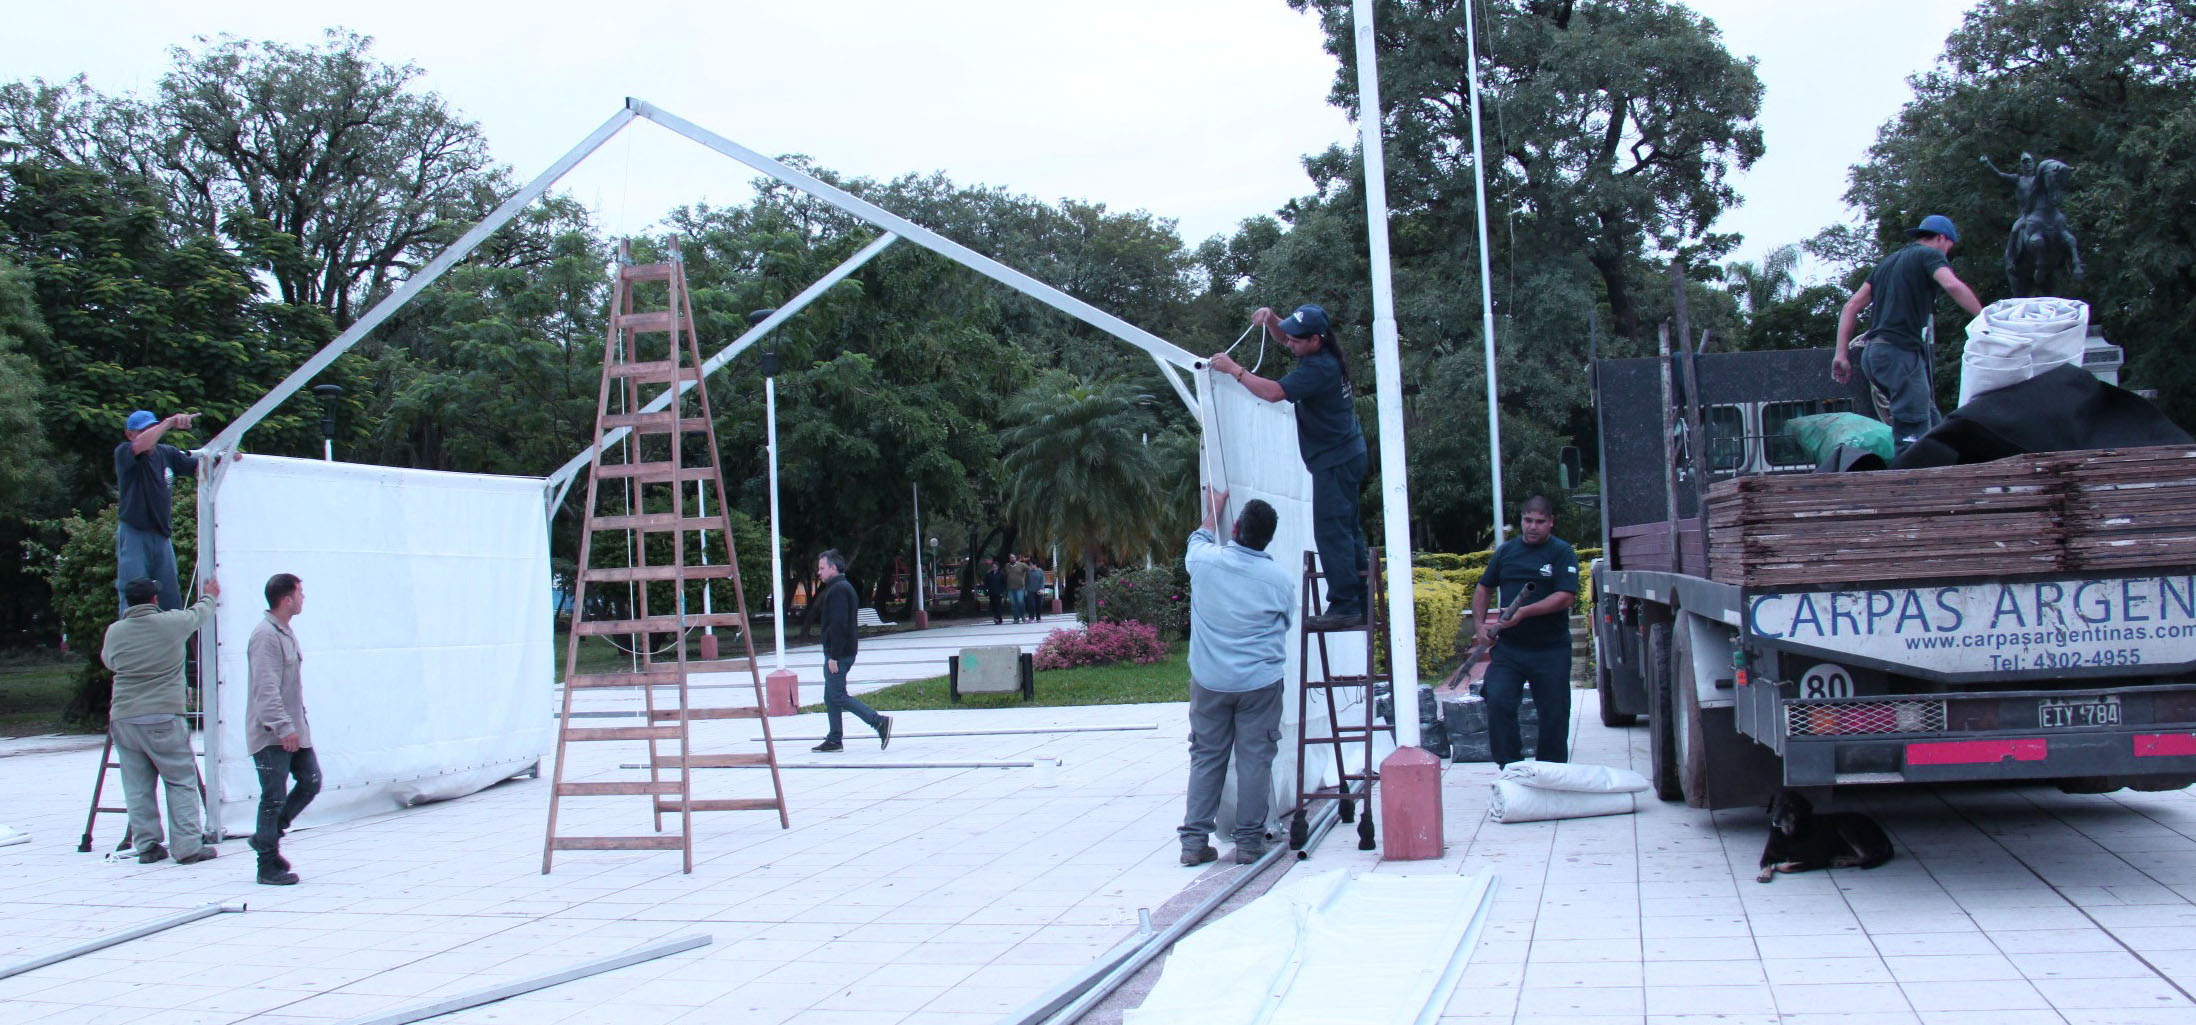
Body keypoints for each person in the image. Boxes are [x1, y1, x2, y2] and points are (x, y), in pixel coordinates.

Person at [1208, 304, 1369, 630]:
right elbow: (1286, 336)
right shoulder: (1320, 352)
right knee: (1347, 528)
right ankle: (1361, 599)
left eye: (1297, 340)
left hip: (1335, 460)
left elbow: (1274, 393)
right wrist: (1271, 319)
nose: (1290, 343)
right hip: (1347, 454)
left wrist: (1234, 370)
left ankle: (1346, 605)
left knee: (1331, 531)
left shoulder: (1318, 369)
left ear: (1315, 340)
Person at [1177, 489, 1294, 866]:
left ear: (1238, 527)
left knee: (1206, 756)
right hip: (1260, 684)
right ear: (1269, 538)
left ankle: (1194, 843)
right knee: (1254, 760)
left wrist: (1213, 512)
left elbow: (1197, 538)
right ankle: (1248, 843)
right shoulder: (1278, 580)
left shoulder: (1204, 562)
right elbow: (1285, 623)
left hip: (1210, 681)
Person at [1831, 215, 1985, 456]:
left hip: (1873, 355)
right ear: (1942, 238)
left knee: (1932, 424)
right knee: (1912, 432)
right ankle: (1911, 486)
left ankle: (1947, 468)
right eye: (1949, 247)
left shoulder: (1886, 263)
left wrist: (1841, 354)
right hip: (1898, 353)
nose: (1947, 254)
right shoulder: (1930, 255)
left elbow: (1851, 306)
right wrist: (1985, 319)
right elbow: (1952, 285)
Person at [101, 575, 223, 866]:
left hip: (124, 717)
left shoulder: (115, 631)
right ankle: (188, 847)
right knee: (180, 780)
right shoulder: (171, 623)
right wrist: (210, 595)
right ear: (154, 599)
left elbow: (109, 661)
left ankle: (148, 847)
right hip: (163, 715)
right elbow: (199, 615)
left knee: (137, 785)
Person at [1470, 496, 1580, 767]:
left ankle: (1550, 771)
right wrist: (1479, 625)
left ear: (1551, 523)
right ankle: (1510, 767)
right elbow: (1484, 587)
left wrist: (1524, 612)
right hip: (1511, 649)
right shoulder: (1506, 552)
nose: (1533, 527)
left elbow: (1566, 596)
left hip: (1551, 649)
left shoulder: (1561, 552)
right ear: (1521, 521)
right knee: (1497, 699)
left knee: (1554, 713)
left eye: (1540, 522)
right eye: (1528, 520)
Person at [247, 573, 320, 886]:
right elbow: (266, 688)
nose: (304, 598)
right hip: (273, 732)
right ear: (286, 598)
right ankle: (267, 864)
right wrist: (282, 727)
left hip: (293, 728)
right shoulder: (266, 636)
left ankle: (268, 836)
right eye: (300, 593)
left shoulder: (285, 632)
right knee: (273, 796)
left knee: (310, 780)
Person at [113, 410, 201, 614]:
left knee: (170, 597)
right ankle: (133, 642)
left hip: (161, 536)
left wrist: (226, 457)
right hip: (134, 533)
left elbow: (198, 467)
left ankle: (173, 644)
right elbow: (140, 445)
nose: (151, 433)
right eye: (144, 430)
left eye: (153, 428)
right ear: (130, 434)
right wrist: (169, 422)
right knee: (134, 596)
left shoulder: (166, 454)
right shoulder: (125, 452)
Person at [813, 549, 892, 753]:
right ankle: (834, 739)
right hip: (841, 651)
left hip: (839, 653)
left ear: (833, 567)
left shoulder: (838, 589)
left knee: (837, 695)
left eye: (822, 568)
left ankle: (878, 722)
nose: (818, 572)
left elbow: (839, 625)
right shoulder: (840, 587)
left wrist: (834, 656)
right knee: (830, 696)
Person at [1003, 554, 1030, 625]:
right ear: (1009, 559)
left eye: (1013, 557)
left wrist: (1025, 579)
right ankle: (1016, 618)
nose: (1012, 559)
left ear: (1016, 558)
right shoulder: (1006, 566)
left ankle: (1023, 616)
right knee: (1013, 604)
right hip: (1010, 588)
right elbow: (1005, 575)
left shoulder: (1022, 565)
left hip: (1020, 588)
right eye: (1010, 558)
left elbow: (1029, 569)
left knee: (1021, 602)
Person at [984, 558, 1007, 625]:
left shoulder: (1001, 574)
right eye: (993, 567)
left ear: (998, 567)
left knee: (998, 605)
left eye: (995, 567)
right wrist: (986, 591)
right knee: (993, 606)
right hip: (991, 592)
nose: (994, 568)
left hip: (999, 592)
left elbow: (1004, 584)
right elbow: (986, 583)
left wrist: (1002, 592)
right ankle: (999, 619)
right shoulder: (989, 574)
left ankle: (996, 618)